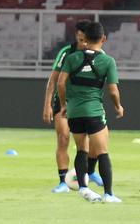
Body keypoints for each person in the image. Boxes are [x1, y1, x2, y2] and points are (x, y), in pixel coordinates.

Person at [57, 21, 124, 203]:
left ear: (84, 39)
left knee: (81, 150)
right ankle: (108, 194)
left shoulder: (72, 58)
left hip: (74, 112)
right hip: (94, 111)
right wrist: (118, 106)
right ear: (104, 38)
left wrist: (64, 105)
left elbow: (60, 83)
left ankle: (84, 188)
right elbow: (112, 90)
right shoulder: (108, 61)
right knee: (102, 152)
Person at [44, 20, 101, 193]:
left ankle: (89, 172)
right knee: (63, 137)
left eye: (85, 39)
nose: (82, 43)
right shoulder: (66, 53)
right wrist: (47, 105)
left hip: (86, 103)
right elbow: (53, 80)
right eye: (79, 38)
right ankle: (63, 182)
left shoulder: (98, 54)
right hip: (64, 103)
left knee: (91, 142)